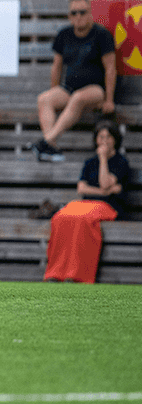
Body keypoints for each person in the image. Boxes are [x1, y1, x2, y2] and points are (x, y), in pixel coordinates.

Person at [44, 120, 132, 283]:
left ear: (115, 140)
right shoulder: (89, 162)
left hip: (108, 206)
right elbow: (82, 188)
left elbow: (105, 182)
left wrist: (103, 159)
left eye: (108, 137)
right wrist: (103, 192)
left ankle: (76, 273)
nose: (104, 140)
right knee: (60, 217)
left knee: (83, 220)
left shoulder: (121, 162)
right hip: (86, 204)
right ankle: (56, 272)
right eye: (101, 137)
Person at [32, 0, 116, 162]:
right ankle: (52, 147)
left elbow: (111, 69)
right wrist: (54, 89)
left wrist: (109, 100)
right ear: (69, 16)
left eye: (83, 12)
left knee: (78, 98)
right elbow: (56, 66)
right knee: (44, 99)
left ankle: (46, 142)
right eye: (74, 13)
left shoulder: (102, 35)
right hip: (69, 88)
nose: (78, 16)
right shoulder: (64, 34)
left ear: (90, 13)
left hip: (96, 89)